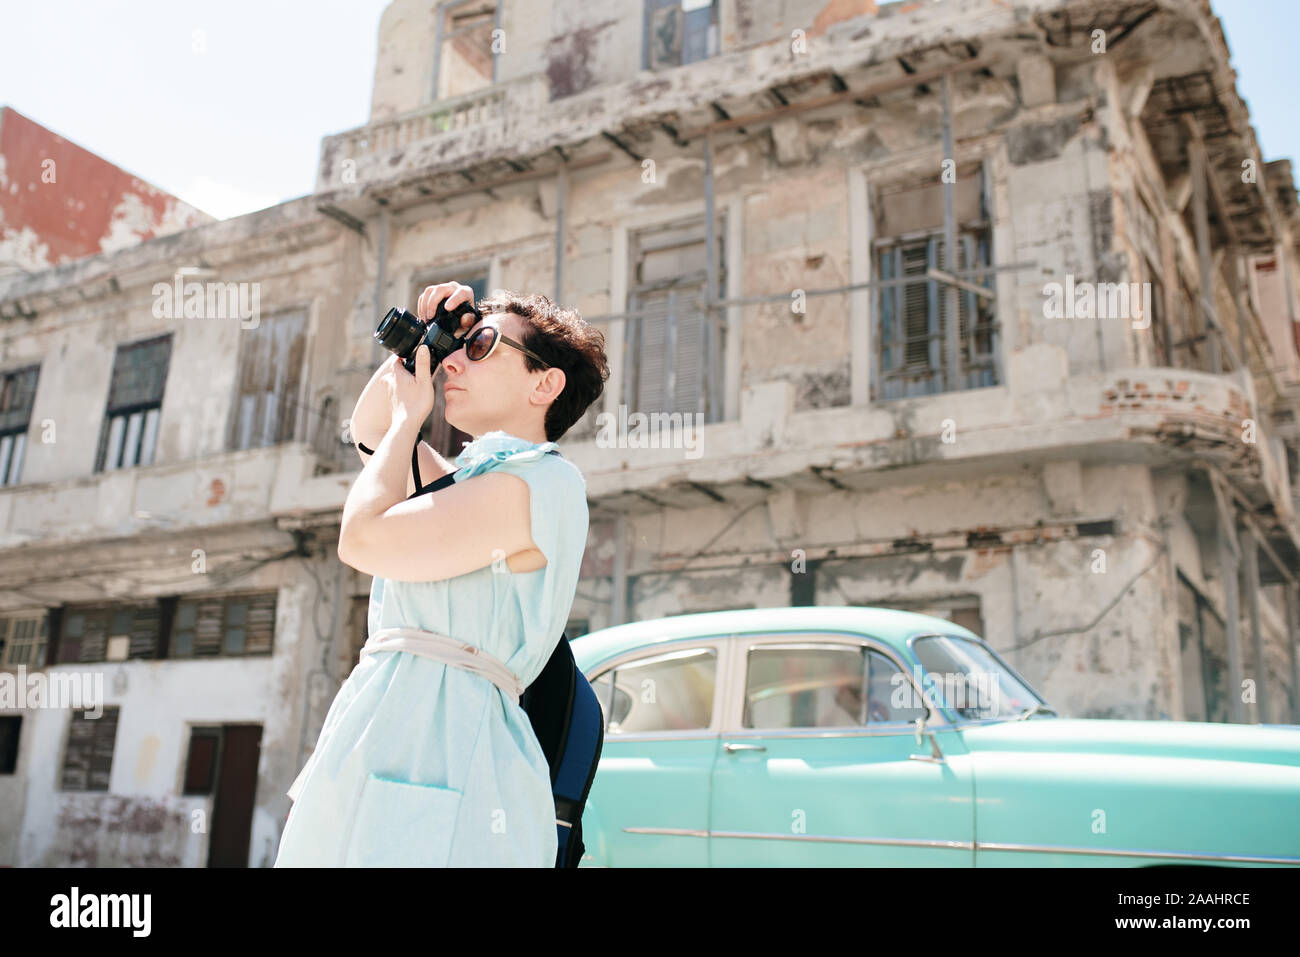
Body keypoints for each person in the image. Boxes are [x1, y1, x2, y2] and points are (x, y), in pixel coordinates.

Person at [274, 282, 609, 866]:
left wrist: (411, 419)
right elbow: (373, 430)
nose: (454, 360)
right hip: (393, 730)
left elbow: (363, 538)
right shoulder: (471, 483)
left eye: (480, 345)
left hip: (453, 748)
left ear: (545, 383)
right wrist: (414, 354)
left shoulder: (544, 483)